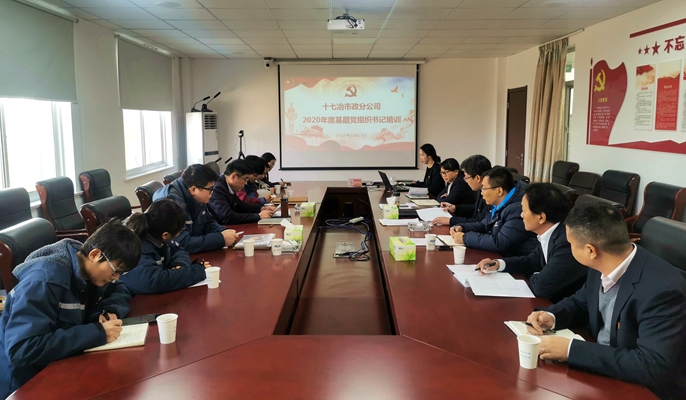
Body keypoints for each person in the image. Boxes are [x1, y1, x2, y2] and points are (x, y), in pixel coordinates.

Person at [525, 202, 686, 399]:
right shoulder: (603, 262)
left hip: (638, 387)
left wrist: (571, 350)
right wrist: (552, 315)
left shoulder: (662, 290)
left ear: (591, 251)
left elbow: (652, 365)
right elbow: (582, 301)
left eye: (571, 244)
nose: (569, 248)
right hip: (601, 368)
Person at [0, 221, 142, 397]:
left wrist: (109, 310)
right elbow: (22, 349)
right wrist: (97, 333)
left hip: (61, 365)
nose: (116, 278)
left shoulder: (88, 269)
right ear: (95, 254)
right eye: (116, 271)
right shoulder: (44, 281)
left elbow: (120, 288)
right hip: (25, 383)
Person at [475, 183, 587, 302]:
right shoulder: (552, 233)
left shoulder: (567, 242)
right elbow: (531, 261)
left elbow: (541, 287)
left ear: (541, 217)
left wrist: (536, 275)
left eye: (524, 210)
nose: (521, 215)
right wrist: (499, 264)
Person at [120, 199, 209, 295]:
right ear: (165, 235)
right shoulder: (137, 248)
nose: (179, 234)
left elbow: (178, 249)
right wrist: (197, 271)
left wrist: (178, 264)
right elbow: (154, 282)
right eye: (179, 231)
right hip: (134, 299)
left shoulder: (155, 234)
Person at [450, 166, 537, 257]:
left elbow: (499, 243)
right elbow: (484, 225)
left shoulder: (518, 209)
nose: (482, 193)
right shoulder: (498, 202)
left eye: (484, 188)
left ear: (499, 191)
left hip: (516, 260)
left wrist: (465, 238)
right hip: (498, 256)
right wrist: (462, 227)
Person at [152, 164, 238, 254]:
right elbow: (180, 243)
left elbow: (207, 221)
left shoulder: (195, 194)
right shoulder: (172, 205)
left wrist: (223, 231)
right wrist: (220, 239)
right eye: (210, 189)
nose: (212, 192)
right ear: (193, 190)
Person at [209, 159, 275, 225]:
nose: (246, 183)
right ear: (233, 177)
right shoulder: (217, 189)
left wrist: (261, 208)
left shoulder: (228, 186)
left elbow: (240, 206)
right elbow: (227, 216)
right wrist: (258, 216)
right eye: (245, 179)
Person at [432, 155, 491, 227]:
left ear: (478, 178)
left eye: (467, 178)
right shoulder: (479, 189)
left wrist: (450, 220)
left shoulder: (489, 194)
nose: (465, 181)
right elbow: (475, 208)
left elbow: (480, 221)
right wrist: (455, 208)